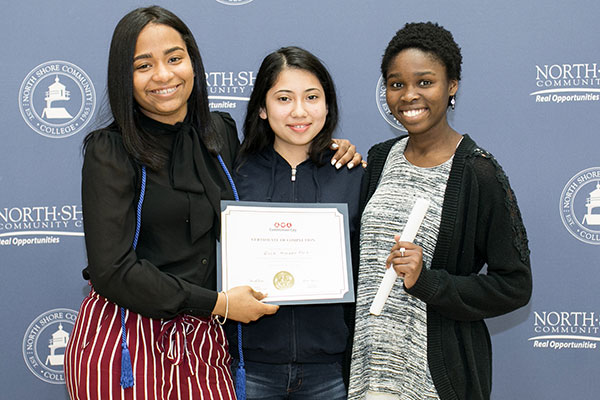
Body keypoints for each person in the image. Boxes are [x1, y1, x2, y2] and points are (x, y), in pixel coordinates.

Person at [63, 6, 360, 400]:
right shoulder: (111, 151)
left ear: (192, 61)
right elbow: (112, 270)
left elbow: (265, 186)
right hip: (130, 340)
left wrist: (330, 147)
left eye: (174, 58)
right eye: (143, 65)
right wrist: (218, 303)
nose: (164, 75)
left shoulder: (219, 132)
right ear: (124, 76)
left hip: (206, 344)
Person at [348, 22, 532, 400]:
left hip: (436, 380)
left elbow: (514, 286)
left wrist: (427, 281)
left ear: (452, 86)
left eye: (425, 82)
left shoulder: (478, 171)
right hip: (369, 370)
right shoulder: (381, 159)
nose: (409, 95)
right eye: (397, 84)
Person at [226, 46, 363, 399]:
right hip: (247, 367)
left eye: (312, 97)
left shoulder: (351, 173)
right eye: (284, 98)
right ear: (261, 106)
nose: (299, 111)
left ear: (328, 104)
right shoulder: (231, 172)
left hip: (329, 370)